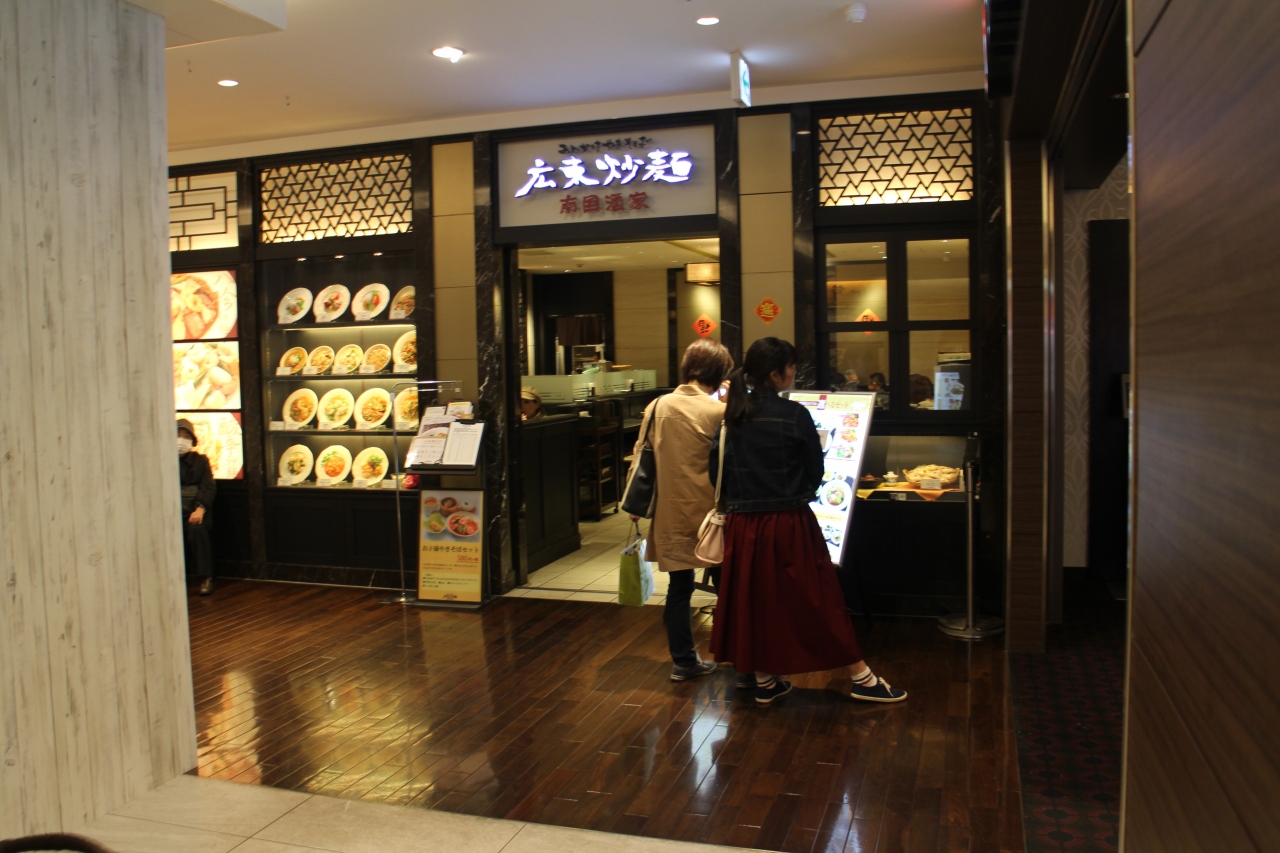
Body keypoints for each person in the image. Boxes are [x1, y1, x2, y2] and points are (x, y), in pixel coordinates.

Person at [709, 337, 907, 705]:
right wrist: (796, 492)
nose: (793, 372)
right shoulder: (794, 415)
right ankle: (862, 678)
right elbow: (815, 471)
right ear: (775, 374)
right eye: (790, 366)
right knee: (819, 599)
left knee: (755, 601)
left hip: (743, 526)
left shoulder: (733, 416)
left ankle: (765, 680)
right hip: (788, 522)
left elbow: (715, 473)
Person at [628, 339, 734, 682]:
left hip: (671, 513)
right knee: (728, 588)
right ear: (719, 373)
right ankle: (739, 660)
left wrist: (634, 503)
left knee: (679, 589)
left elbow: (641, 455)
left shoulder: (657, 406)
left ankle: (684, 662)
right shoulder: (719, 412)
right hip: (713, 517)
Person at [177, 419, 217, 595]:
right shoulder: (163, 460)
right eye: (178, 434)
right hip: (171, 511)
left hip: (194, 509)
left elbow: (208, 486)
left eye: (186, 436)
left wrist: (200, 509)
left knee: (197, 530)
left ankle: (205, 577)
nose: (181, 439)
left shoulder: (200, 461)